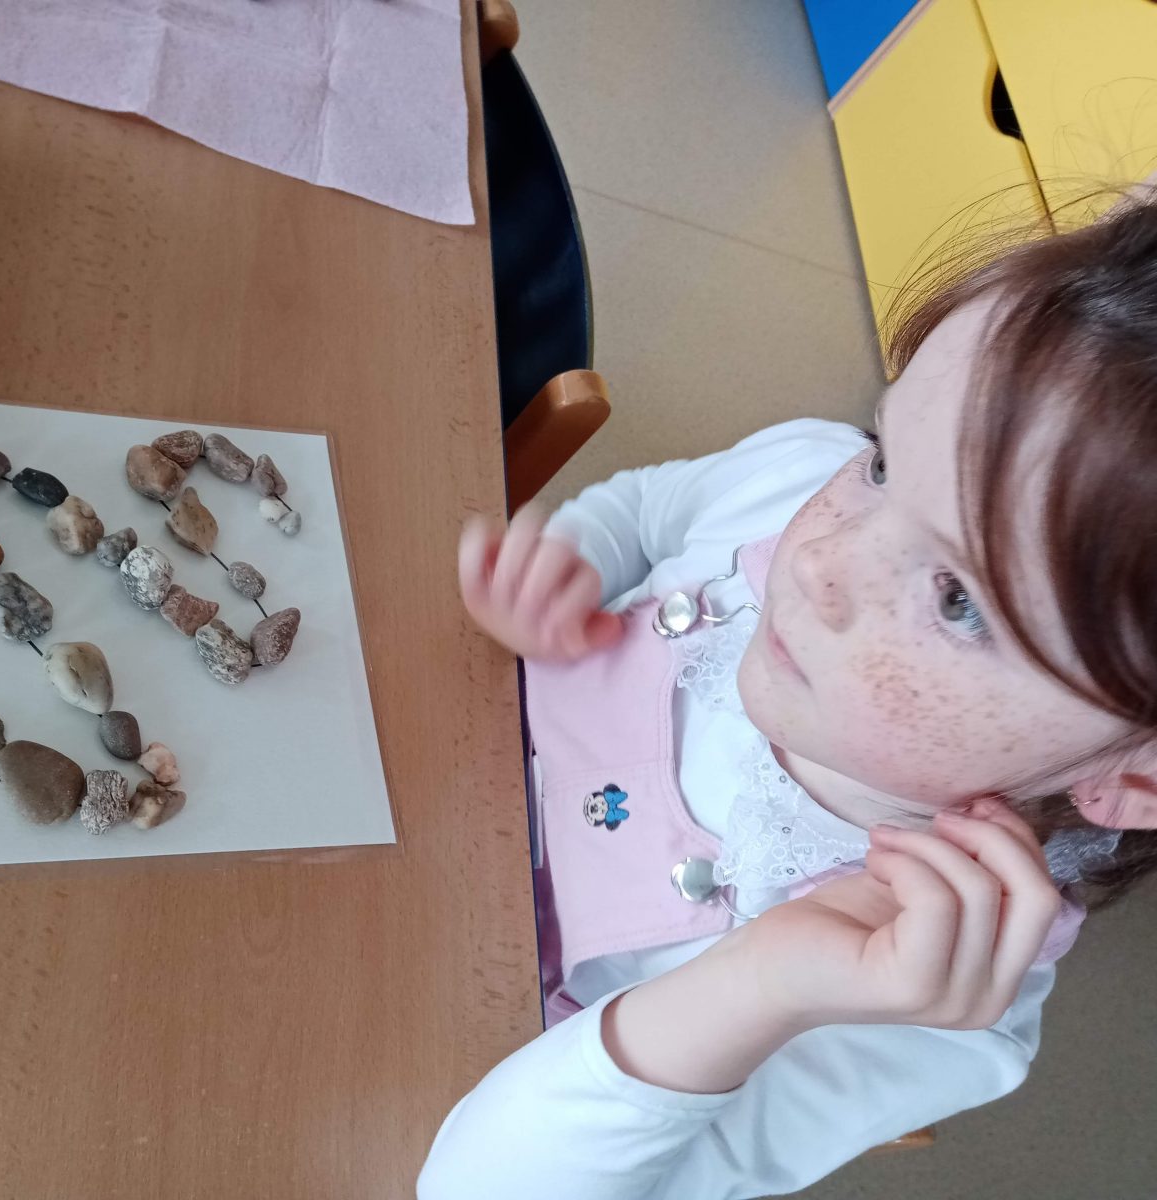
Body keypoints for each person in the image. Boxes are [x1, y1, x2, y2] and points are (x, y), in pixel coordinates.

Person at [419, 195, 1157, 1199]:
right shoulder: (796, 477)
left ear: (1134, 776)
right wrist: (573, 565)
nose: (815, 563)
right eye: (884, 464)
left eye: (958, 600)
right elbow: (647, 509)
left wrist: (760, 985)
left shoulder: (917, 1002)